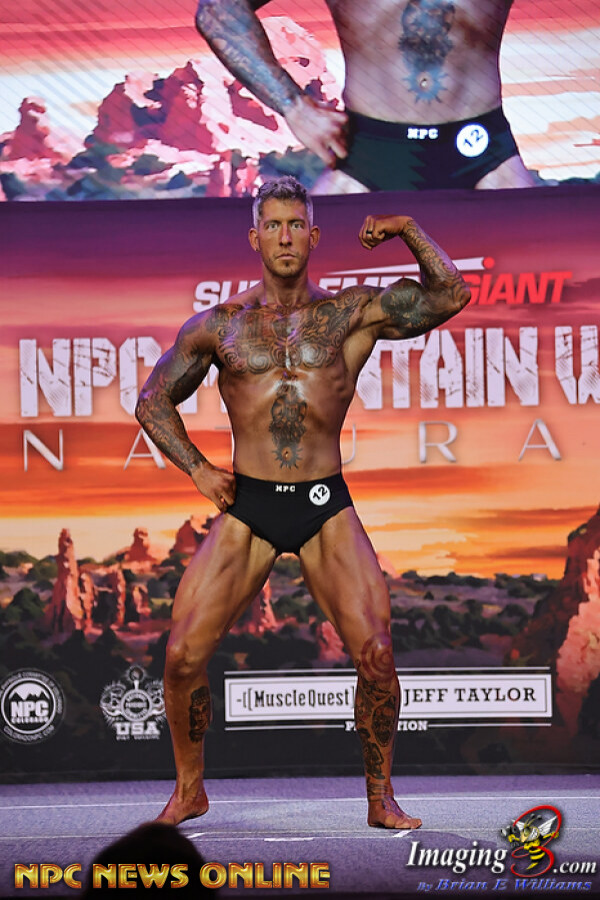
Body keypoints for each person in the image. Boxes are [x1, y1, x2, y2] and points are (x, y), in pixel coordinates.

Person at [135, 176, 471, 829]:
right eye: (274, 225)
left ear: (313, 236)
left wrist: (406, 227)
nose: (285, 237)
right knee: (180, 657)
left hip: (323, 505)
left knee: (376, 655)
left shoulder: (350, 314)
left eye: (296, 225)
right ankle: (190, 790)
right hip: (250, 505)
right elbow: (153, 401)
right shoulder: (220, 326)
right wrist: (198, 468)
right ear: (255, 237)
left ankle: (381, 798)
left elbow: (451, 293)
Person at [194, 0, 536, 191]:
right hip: (367, 156)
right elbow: (217, 9)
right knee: (305, 293)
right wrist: (293, 105)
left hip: (485, 156)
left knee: (542, 282)